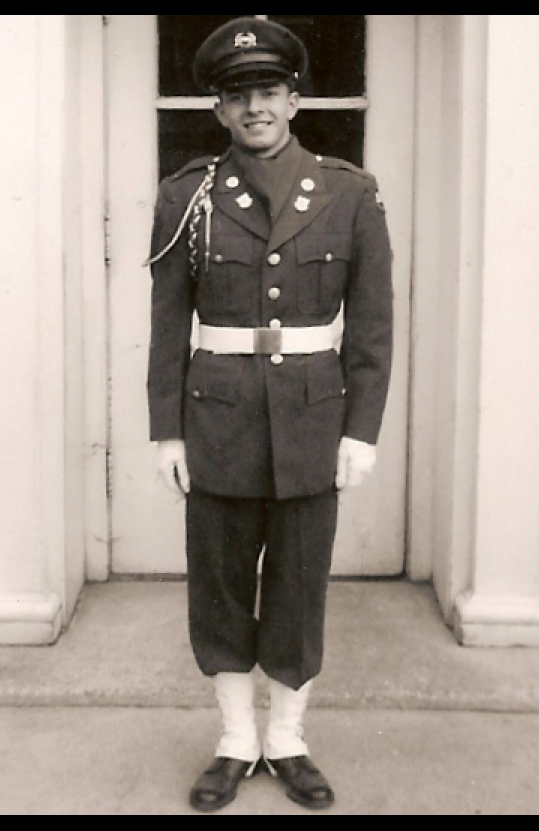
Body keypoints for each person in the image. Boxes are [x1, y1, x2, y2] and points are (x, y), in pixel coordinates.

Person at [147, 17, 394, 813]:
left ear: (293, 99)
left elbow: (372, 325)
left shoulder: (350, 193)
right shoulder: (188, 197)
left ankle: (285, 738)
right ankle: (234, 740)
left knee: (296, 585)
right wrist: (165, 429)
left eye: (267, 91)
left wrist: (361, 429)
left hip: (312, 421)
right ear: (218, 111)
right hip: (216, 417)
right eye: (236, 96)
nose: (254, 106)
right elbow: (166, 322)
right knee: (218, 587)